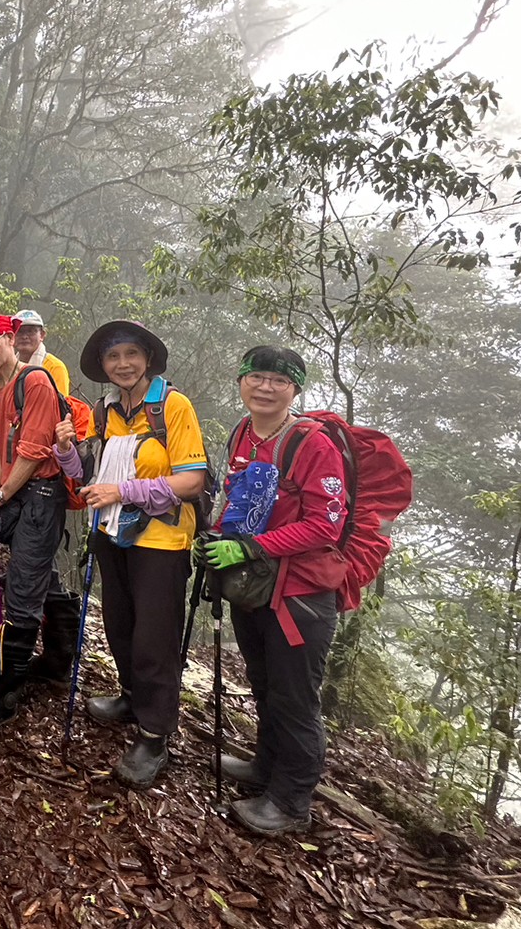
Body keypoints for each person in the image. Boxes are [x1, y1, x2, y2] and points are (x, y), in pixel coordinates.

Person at [58, 320, 209, 789]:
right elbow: (89, 473)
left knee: (153, 638)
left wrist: (122, 489)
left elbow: (192, 480)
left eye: (130, 355)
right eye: (112, 357)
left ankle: (155, 733)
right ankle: (129, 697)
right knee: (120, 624)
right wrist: (65, 449)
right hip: (112, 531)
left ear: (147, 358)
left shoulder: (172, 406)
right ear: (103, 366)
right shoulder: (105, 411)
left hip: (161, 541)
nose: (122, 364)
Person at [202, 346, 346, 834]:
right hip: (255, 585)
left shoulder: (313, 444)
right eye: (256, 377)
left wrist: (250, 548)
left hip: (301, 594)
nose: (264, 387)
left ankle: (290, 801)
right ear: (241, 381)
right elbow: (236, 498)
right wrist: (219, 534)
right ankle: (265, 767)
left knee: (294, 698)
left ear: (295, 389)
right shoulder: (242, 432)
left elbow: (325, 527)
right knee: (264, 684)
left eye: (278, 381)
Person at [0, 313, 68, 737]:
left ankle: (4, 696)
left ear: (9, 338)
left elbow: (35, 450)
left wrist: (0, 495)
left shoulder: (35, 381)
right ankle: (59, 661)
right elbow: (1, 455)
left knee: (22, 590)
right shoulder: (0, 389)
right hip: (19, 494)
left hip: (41, 495)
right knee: (43, 575)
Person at [13, 310, 71, 396]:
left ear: (42, 335)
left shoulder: (55, 367)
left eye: (30, 331)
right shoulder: (8, 369)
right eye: (20, 332)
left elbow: (60, 407)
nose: (24, 336)